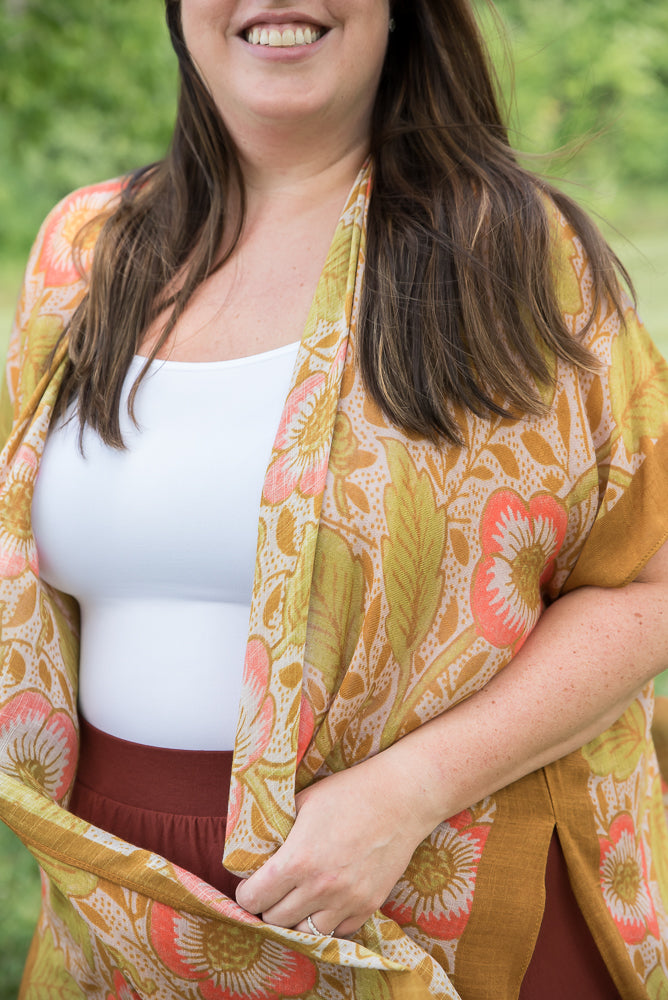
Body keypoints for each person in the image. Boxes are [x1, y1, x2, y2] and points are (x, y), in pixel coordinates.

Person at [1, 0, 667, 997]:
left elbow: (647, 585)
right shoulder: (89, 250)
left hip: (425, 874)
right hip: (121, 899)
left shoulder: (510, 259)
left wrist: (406, 792)